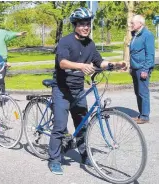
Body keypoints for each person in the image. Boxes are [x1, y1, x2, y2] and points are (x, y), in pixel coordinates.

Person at [48, 7, 127, 175]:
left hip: (78, 89)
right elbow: (62, 62)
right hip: (62, 89)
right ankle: (54, 160)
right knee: (60, 126)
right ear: (75, 25)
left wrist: (113, 64)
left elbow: (99, 61)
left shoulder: (90, 44)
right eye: (82, 24)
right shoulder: (65, 41)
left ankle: (85, 154)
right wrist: (81, 66)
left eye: (88, 24)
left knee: (82, 124)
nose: (86, 27)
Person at [0, 19, 26, 94]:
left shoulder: (2, 32)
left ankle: (1, 97)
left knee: (0, 80)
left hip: (0, 61)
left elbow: (10, 34)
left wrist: (19, 34)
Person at [129, 15, 155, 124]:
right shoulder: (135, 35)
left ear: (140, 23)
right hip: (135, 68)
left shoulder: (147, 35)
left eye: (133, 23)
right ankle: (141, 114)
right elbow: (133, 53)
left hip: (142, 69)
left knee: (143, 93)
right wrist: (131, 67)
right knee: (138, 92)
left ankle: (145, 116)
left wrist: (145, 69)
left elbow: (150, 55)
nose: (131, 25)